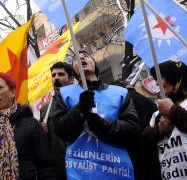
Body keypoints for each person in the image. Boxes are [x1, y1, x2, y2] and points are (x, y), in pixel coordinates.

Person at [52, 50, 141, 180]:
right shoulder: (65, 94)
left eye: (86, 56)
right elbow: (60, 129)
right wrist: (79, 109)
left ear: (94, 64)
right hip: (80, 173)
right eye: (76, 59)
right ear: (73, 72)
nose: (81, 59)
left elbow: (133, 128)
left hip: (117, 171)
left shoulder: (119, 93)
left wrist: (102, 124)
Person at [144, 60, 187, 180]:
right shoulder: (159, 112)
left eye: (162, 76)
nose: (157, 82)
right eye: (156, 78)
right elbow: (145, 140)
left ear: (175, 75)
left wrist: (173, 112)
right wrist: (159, 130)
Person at [39, 62, 74, 180]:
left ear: (71, 79)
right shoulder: (45, 109)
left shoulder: (81, 100)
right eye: (53, 75)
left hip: (82, 163)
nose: (56, 78)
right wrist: (42, 133)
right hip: (59, 168)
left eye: (61, 74)